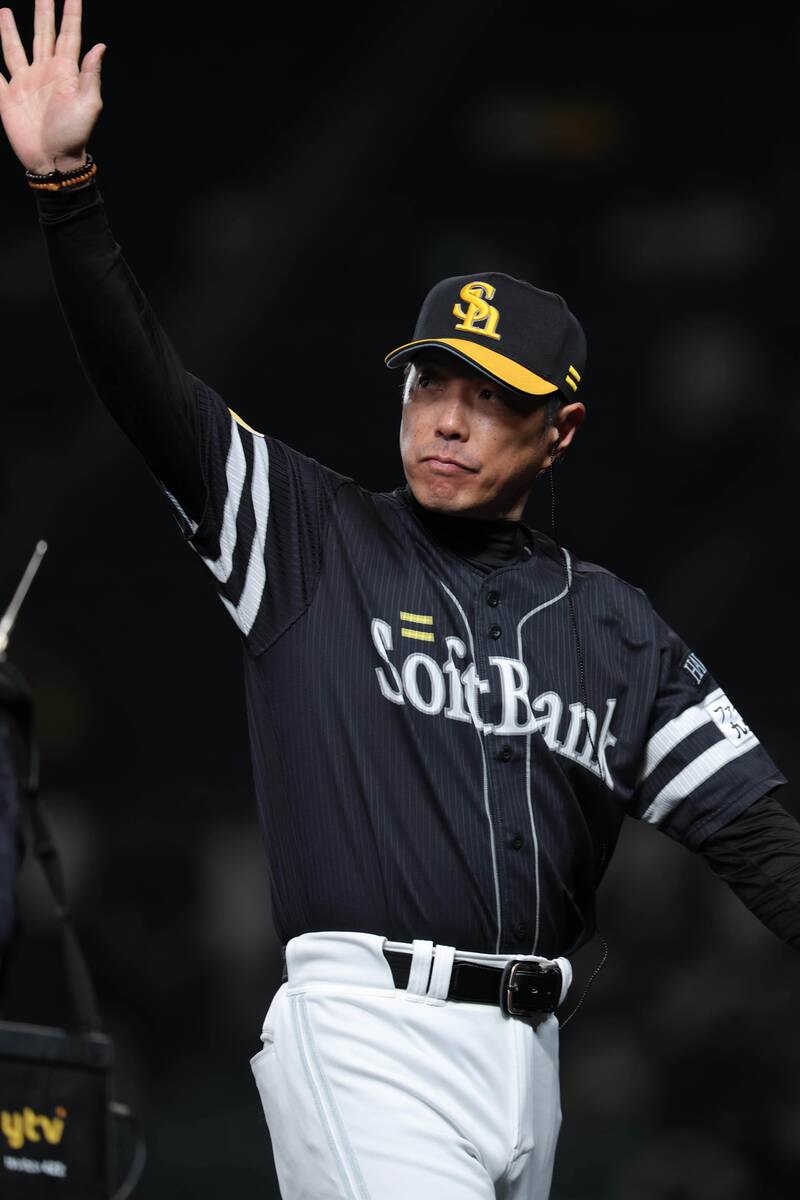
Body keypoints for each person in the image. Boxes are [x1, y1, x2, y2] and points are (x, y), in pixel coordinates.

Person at [2, 3, 799, 1197]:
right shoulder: (311, 541)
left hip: (532, 1063)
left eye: (491, 397)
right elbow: (148, 391)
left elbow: (759, 840)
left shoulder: (619, 632)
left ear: (559, 428)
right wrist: (67, 186)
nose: (448, 417)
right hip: (367, 1029)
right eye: (432, 380)